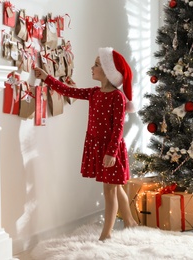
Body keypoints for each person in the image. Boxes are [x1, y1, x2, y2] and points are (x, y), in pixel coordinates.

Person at [34, 47, 137, 241]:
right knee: (116, 185)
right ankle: (130, 221)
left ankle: (106, 234)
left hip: (110, 149)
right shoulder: (94, 93)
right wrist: (47, 78)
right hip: (96, 145)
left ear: (108, 71)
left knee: (110, 189)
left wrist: (111, 153)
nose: (92, 67)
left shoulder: (117, 97)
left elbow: (118, 129)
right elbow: (68, 90)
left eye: (97, 64)